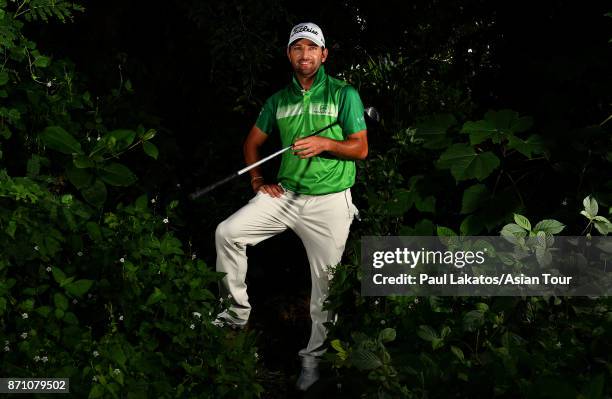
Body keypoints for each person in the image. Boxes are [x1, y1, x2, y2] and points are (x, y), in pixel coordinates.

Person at [213, 22, 368, 391]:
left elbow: (360, 148)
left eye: (312, 48)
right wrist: (257, 182)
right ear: (289, 54)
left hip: (329, 202)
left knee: (325, 288)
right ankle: (235, 318)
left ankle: (312, 360)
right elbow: (252, 143)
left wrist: (324, 144)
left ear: (324, 54)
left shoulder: (345, 94)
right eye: (297, 48)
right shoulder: (278, 101)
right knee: (227, 233)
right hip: (285, 196)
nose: (305, 55)